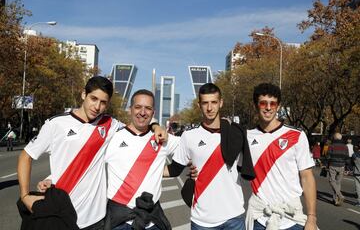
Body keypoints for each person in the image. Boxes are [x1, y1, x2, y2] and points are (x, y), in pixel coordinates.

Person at [17, 76, 166, 229]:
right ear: (83, 95)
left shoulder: (110, 125)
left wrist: (156, 125)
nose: (97, 106)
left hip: (97, 220)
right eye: (93, 98)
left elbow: (138, 124)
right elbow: (26, 156)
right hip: (61, 214)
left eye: (103, 102)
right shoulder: (56, 124)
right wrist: (25, 195)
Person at [164, 83, 255, 230]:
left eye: (213, 102)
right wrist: (144, 171)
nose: (210, 108)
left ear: (221, 103)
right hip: (202, 221)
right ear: (199, 105)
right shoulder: (189, 136)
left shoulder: (236, 133)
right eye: (205, 103)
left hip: (234, 217)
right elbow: (174, 169)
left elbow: (246, 167)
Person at [104, 89, 180, 230]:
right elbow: (88, 165)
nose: (142, 112)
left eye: (148, 108)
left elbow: (193, 149)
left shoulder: (162, 137)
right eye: (138, 107)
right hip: (119, 222)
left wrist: (193, 171)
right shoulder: (113, 137)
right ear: (130, 109)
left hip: (152, 222)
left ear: (153, 113)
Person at [246, 83, 317, 230]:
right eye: (263, 103)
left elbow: (307, 177)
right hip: (260, 219)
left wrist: (311, 217)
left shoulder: (296, 135)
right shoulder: (246, 137)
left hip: (292, 220)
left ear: (278, 106)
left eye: (273, 103)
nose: (268, 107)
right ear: (256, 105)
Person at [327, 132, 349, 206]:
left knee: (331, 181)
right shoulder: (345, 147)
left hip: (333, 165)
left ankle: (340, 196)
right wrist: (347, 168)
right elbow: (347, 157)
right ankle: (335, 200)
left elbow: (328, 156)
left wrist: (326, 164)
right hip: (342, 166)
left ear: (334, 138)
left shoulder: (331, 146)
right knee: (338, 183)